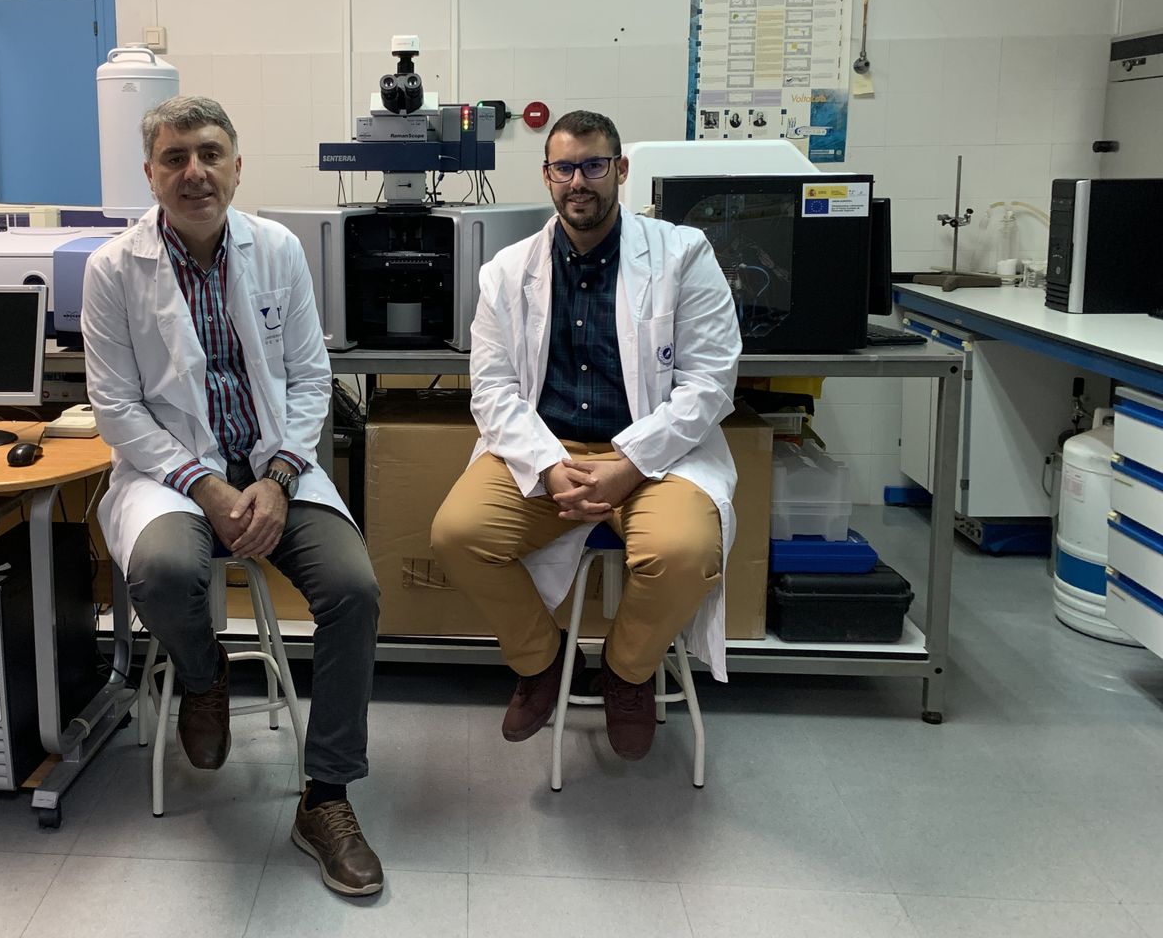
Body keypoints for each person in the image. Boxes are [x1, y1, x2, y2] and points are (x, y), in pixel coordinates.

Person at [83, 95, 383, 897]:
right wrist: (207, 486)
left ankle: (326, 797)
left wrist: (280, 478)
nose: (195, 172)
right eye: (175, 158)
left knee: (354, 590)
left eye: (209, 154)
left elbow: (313, 377)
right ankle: (205, 671)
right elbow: (116, 408)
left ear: (237, 166)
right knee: (160, 572)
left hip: (275, 467)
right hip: (172, 477)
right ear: (150, 173)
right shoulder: (113, 270)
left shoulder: (277, 249)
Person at [430, 109, 742, 759]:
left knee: (682, 552)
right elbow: (492, 391)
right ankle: (541, 660)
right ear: (547, 177)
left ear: (620, 170)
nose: (580, 181)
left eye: (595, 165)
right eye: (565, 167)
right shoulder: (507, 272)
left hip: (658, 455)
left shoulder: (684, 255)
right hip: (548, 449)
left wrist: (628, 463)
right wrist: (547, 466)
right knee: (458, 534)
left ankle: (627, 674)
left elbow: (711, 383)